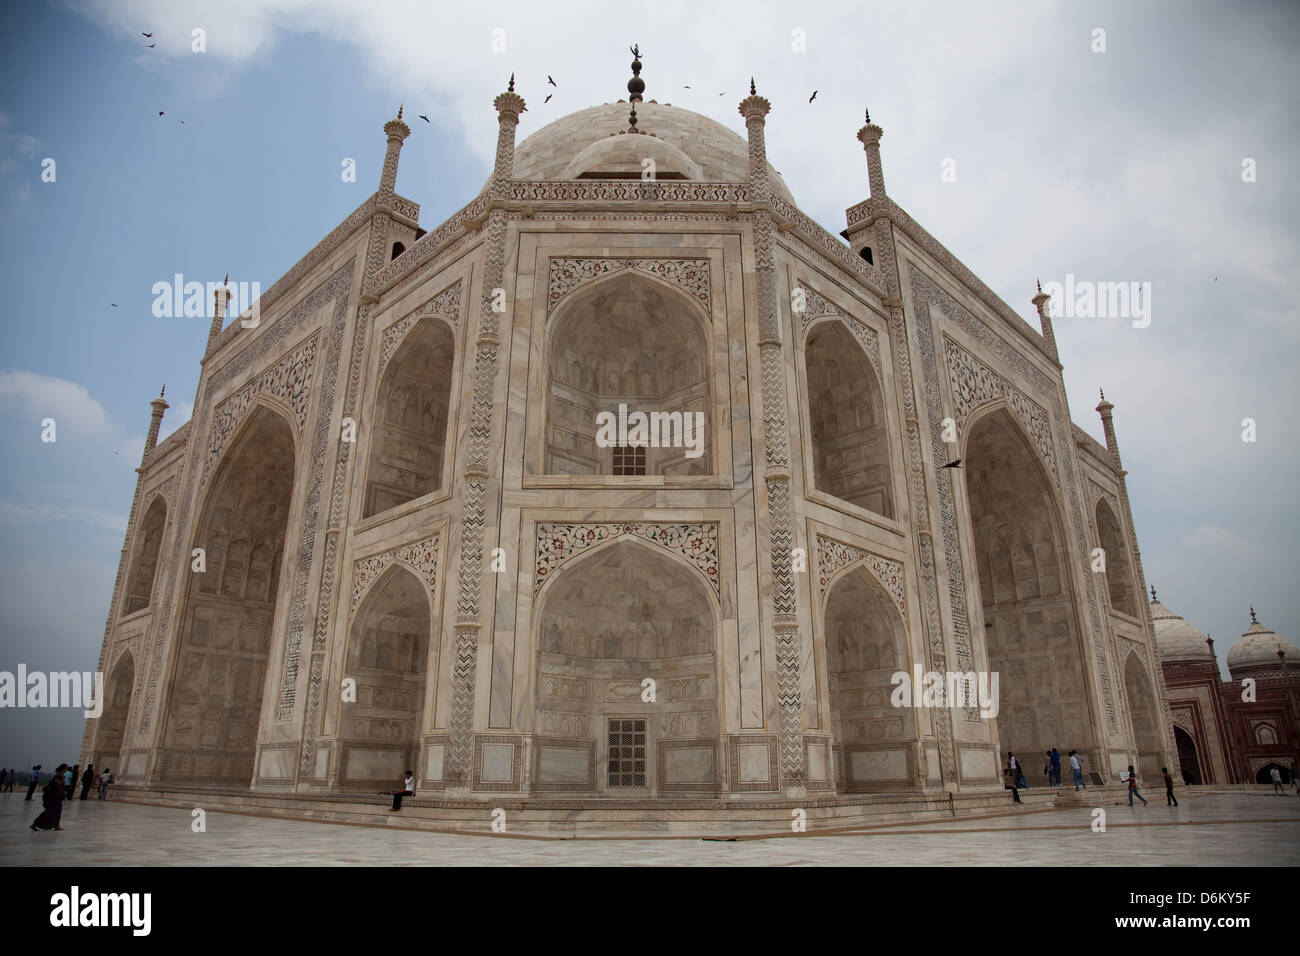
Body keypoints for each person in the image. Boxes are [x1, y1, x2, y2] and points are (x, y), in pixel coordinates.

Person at [31, 764, 67, 831]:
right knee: (50, 811)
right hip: (53, 796)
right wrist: (62, 779)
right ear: (63, 769)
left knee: (58, 811)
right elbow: (57, 785)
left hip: (57, 797)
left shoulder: (60, 775)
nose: (66, 770)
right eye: (66, 768)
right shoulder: (58, 775)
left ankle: (57, 825)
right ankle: (35, 824)